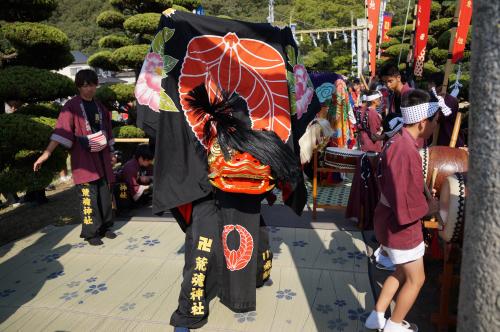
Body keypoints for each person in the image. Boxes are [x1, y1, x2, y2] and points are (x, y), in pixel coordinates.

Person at [364, 89, 450, 332]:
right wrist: (428, 208)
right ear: (423, 123)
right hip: (399, 226)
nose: (436, 126)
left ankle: (378, 316)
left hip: (388, 219)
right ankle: (394, 324)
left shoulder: (398, 141)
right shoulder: (405, 151)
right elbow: (405, 203)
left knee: (402, 271)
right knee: (417, 278)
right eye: (435, 121)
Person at [33, 69, 116, 246]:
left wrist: (112, 153)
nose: (89, 89)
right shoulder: (70, 106)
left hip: (101, 156)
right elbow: (61, 130)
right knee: (88, 195)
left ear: (96, 85)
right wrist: (46, 153)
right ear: (78, 87)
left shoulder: (100, 106)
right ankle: (90, 232)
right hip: (83, 158)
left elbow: (108, 131)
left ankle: (106, 226)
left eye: (92, 85)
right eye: (85, 86)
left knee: (104, 194)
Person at [426, 72, 466, 147]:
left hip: (447, 141)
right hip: (435, 142)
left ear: (440, 86)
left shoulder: (450, 101)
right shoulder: (431, 98)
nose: (428, 86)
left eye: (431, 84)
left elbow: (439, 117)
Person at [114, 144, 154, 210]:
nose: (150, 162)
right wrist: (149, 187)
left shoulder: (147, 165)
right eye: (148, 160)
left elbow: (152, 176)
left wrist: (150, 178)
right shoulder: (130, 167)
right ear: (141, 158)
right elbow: (134, 189)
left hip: (137, 197)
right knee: (122, 187)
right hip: (124, 195)